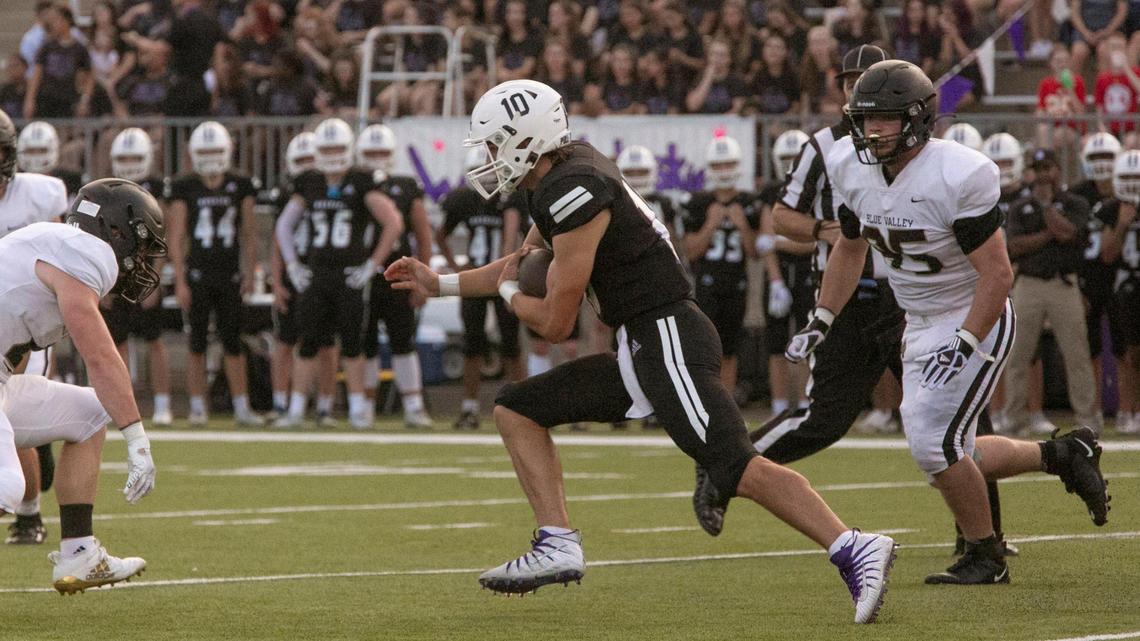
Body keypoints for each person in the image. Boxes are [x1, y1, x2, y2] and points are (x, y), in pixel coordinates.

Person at [385, 79, 898, 624]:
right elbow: (523, 261)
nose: (487, 158)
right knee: (517, 407)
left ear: (525, 140)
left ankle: (852, 545)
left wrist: (511, 294)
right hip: (642, 338)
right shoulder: (558, 174)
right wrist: (439, 283)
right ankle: (557, 541)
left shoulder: (572, 189)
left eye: (494, 144)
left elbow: (555, 323)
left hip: (667, 333)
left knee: (732, 464)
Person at [803, 60, 1109, 584]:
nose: (871, 131)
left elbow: (997, 272)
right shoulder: (848, 166)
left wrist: (968, 341)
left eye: (885, 119)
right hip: (917, 319)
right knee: (956, 451)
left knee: (930, 444)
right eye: (865, 119)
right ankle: (1062, 453)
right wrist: (823, 316)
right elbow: (850, 247)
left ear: (919, 119)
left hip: (972, 313)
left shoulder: (959, 174)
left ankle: (986, 555)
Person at [691, 46, 910, 537]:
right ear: (839, 88)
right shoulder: (823, 146)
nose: (859, 90)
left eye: (870, 79)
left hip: (911, 295)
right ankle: (726, 463)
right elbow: (781, 217)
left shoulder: (914, 143)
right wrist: (823, 229)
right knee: (824, 420)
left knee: (948, 419)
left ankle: (984, 541)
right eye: (851, 81)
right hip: (844, 297)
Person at [0, 178, 162, 592]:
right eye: (142, 246)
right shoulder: (85, 253)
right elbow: (101, 357)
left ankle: (80, 553)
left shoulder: (52, 243)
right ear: (116, 232)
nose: (142, 261)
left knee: (90, 414)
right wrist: (137, 438)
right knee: (8, 486)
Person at [274, 118, 403, 429]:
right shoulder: (310, 181)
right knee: (307, 342)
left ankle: (358, 409)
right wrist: (292, 264)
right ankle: (295, 410)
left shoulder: (362, 181)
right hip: (317, 273)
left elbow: (393, 222)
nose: (332, 154)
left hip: (348, 273)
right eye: (326, 148)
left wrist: (372, 264)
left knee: (352, 343)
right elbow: (283, 225)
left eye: (337, 147)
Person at [0, 110, 67, 546]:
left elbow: (63, 255)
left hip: (28, 324)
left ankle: (29, 514)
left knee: (11, 409)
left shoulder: (41, 194)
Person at [167, 121, 263, 427]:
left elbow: (249, 232)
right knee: (196, 342)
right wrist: (180, 279)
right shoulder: (186, 186)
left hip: (229, 272)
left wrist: (250, 271)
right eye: (205, 151)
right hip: (198, 273)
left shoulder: (240, 184)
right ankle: (197, 406)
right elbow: (177, 235)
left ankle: (242, 407)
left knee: (233, 342)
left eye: (215, 150)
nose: (210, 157)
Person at [1003, 148, 1100, 433]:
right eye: (1038, 168)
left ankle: (1086, 419)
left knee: (1077, 354)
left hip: (1063, 283)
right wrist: (1049, 235)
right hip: (1028, 284)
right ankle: (1014, 417)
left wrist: (1046, 209)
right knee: (1018, 355)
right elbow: (1014, 246)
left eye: (1049, 168)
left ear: (1058, 170)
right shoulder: (1020, 207)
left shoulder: (1075, 203)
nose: (1044, 174)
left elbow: (1069, 233)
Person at [437, 147, 524, 430]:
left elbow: (510, 240)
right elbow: (441, 235)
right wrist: (456, 266)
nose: (488, 182)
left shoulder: (511, 198)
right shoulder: (464, 200)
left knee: (511, 344)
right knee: (472, 344)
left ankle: (523, 406)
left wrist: (508, 272)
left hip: (503, 277)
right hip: (476, 277)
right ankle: (470, 407)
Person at [355, 124, 435, 429]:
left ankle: (413, 406)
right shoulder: (355, 184)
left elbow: (423, 235)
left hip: (398, 274)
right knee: (366, 343)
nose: (376, 158)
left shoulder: (404, 185)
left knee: (403, 340)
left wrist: (423, 279)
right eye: (371, 152)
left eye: (381, 152)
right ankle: (366, 405)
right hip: (363, 275)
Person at [99, 127, 172, 428]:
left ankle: (163, 403)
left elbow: (161, 236)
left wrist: (154, 275)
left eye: (134, 157)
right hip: (116, 273)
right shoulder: (106, 190)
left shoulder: (156, 188)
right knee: (119, 344)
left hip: (142, 272)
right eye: (124, 157)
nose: (129, 162)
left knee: (154, 341)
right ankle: (124, 405)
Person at [267, 132, 340, 426]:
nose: (307, 166)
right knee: (285, 339)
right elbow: (277, 239)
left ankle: (325, 405)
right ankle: (280, 402)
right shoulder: (289, 194)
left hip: (320, 271)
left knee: (326, 341)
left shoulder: (330, 189)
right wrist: (277, 280)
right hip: (293, 270)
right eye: (301, 161)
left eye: (311, 159)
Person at [682, 135, 759, 392]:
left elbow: (755, 251)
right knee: (704, 348)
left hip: (736, 283)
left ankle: (725, 401)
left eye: (728, 164)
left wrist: (743, 226)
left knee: (729, 349)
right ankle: (705, 399)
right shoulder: (699, 203)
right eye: (718, 165)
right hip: (705, 284)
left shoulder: (749, 203)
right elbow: (690, 252)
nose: (723, 170)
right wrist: (711, 224)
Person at [1071, 133, 1132, 432]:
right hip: (1091, 277)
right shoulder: (1078, 194)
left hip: (1121, 277)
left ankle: (1126, 410)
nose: (1102, 165)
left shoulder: (1128, 194)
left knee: (1126, 349)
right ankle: (1092, 412)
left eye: (1107, 157)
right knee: (1089, 349)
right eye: (1095, 158)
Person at [761, 130, 815, 418]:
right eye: (786, 158)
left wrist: (781, 243)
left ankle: (806, 402)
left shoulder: (815, 189)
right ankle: (780, 404)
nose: (790, 163)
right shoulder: (772, 192)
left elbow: (813, 240)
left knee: (806, 339)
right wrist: (776, 281)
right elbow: (764, 238)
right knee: (777, 343)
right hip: (779, 274)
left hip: (808, 271)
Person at [1106, 150, 1140, 433]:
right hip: (1125, 287)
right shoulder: (1112, 209)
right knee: (1127, 353)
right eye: (1127, 177)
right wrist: (1122, 224)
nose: (1131, 183)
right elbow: (1107, 254)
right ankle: (1126, 411)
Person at [16, 121, 81, 197]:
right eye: (31, 151)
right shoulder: (12, 183)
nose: (36, 155)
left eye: (42, 150)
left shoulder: (73, 182)